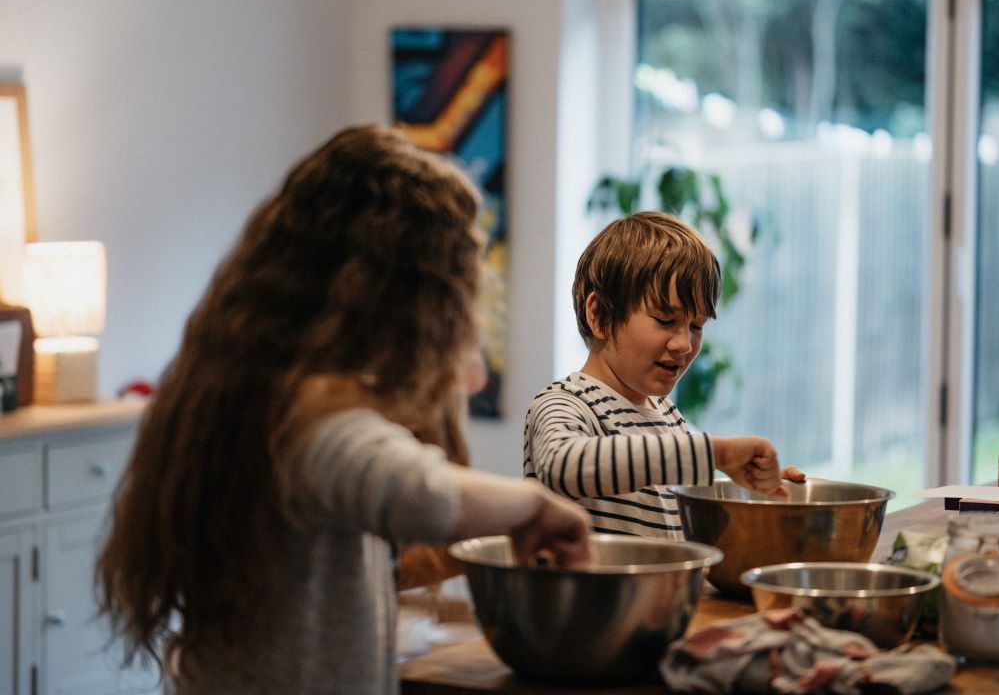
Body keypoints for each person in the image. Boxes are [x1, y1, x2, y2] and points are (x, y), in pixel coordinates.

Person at [96, 126, 591, 695]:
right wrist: (534, 505)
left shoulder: (247, 385)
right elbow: (416, 492)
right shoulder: (307, 419)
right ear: (401, 299)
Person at [524, 211, 803, 540]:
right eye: (665, 320)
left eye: (696, 326)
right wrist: (716, 453)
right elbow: (563, 465)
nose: (684, 344)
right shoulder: (565, 404)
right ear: (599, 315)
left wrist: (757, 489)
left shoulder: (669, 416)